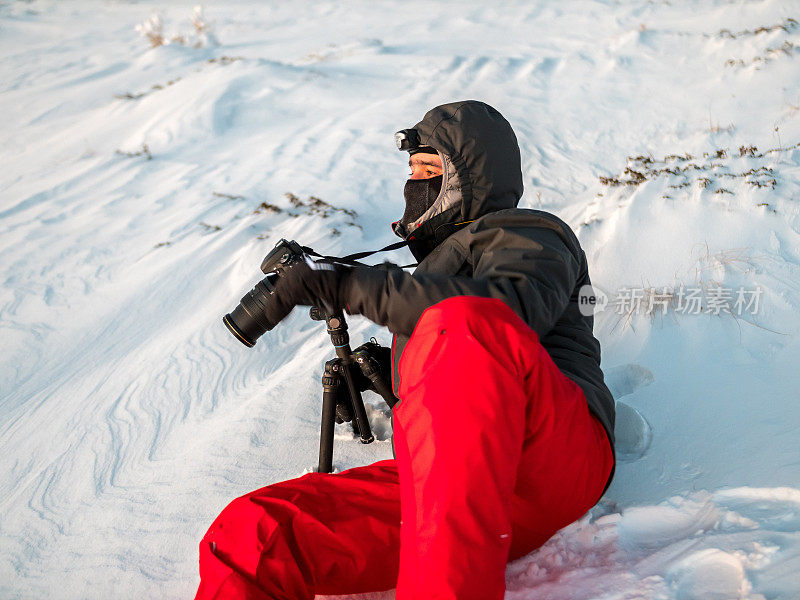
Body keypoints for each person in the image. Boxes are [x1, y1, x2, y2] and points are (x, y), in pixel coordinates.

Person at [195, 100, 616, 600]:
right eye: (411, 168)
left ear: (470, 179)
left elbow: (503, 316)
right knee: (257, 532)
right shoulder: (437, 274)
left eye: (430, 168)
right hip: (444, 487)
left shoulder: (531, 234)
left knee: (461, 327)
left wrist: (351, 286)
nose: (414, 180)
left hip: (552, 459)